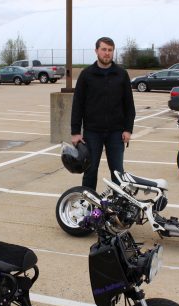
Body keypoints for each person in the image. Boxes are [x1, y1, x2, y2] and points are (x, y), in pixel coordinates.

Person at [70, 36, 136, 191]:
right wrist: (75, 132)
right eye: (104, 49)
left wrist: (128, 129)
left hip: (116, 133)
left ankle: (119, 207)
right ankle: (88, 206)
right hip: (92, 132)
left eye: (110, 50)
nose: (107, 53)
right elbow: (77, 104)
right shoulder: (86, 75)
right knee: (90, 171)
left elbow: (129, 105)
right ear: (96, 51)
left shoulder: (121, 74)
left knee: (118, 173)